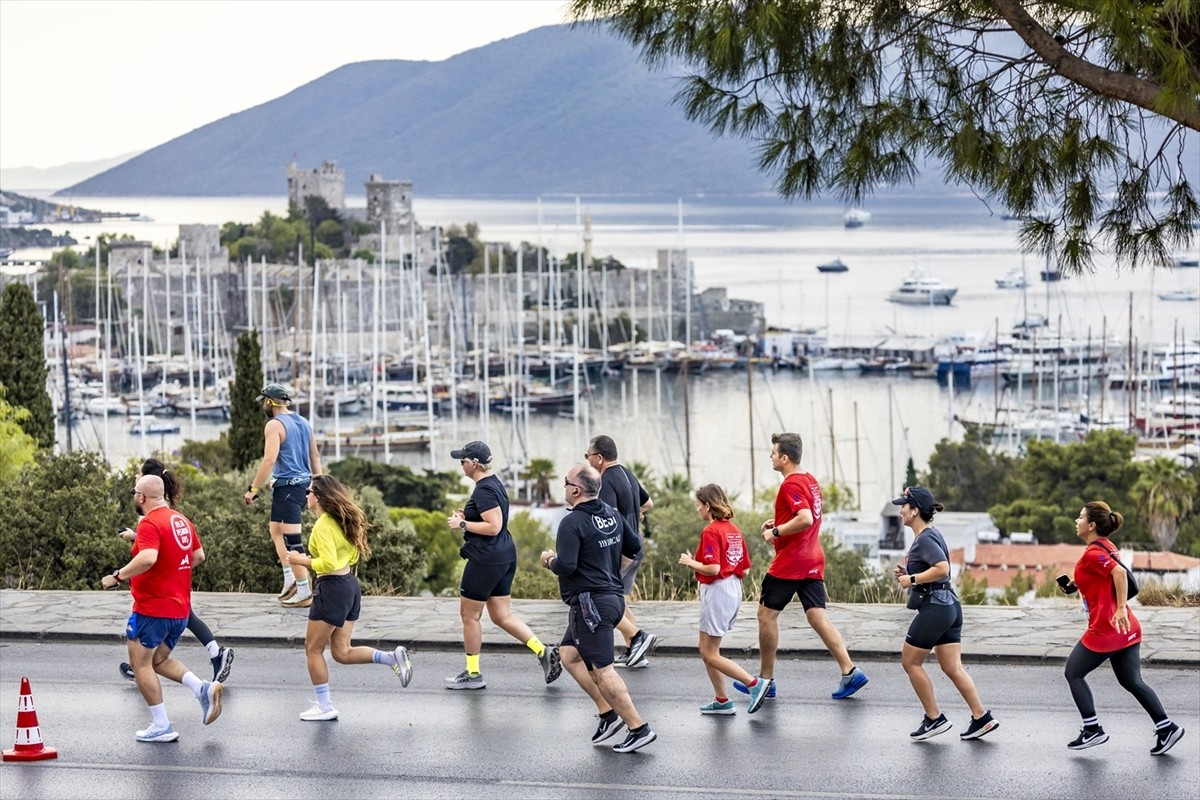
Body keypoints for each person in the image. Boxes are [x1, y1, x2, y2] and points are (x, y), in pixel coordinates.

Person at [734, 432, 868, 702]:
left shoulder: (790, 484)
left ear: (784, 458)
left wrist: (776, 532)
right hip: (813, 558)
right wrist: (779, 521)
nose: (770, 457)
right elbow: (807, 515)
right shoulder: (810, 480)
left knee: (765, 616)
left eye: (773, 453)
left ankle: (765, 681)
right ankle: (850, 671)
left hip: (791, 562)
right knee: (817, 616)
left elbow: (805, 518)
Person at [540, 464, 657, 753]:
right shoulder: (612, 514)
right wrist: (613, 574)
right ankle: (608, 713)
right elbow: (634, 548)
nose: (564, 486)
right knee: (569, 655)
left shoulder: (572, 523)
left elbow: (567, 565)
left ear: (576, 490)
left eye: (566, 482)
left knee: (603, 672)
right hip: (613, 600)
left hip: (590, 606)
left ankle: (638, 728)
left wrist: (549, 560)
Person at [100, 475, 223, 743]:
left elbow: (147, 558)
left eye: (135, 492)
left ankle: (162, 726)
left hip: (153, 609)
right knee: (158, 661)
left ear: (141, 497)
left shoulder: (149, 522)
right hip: (179, 610)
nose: (134, 496)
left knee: (140, 664)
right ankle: (201, 689)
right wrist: (171, 570)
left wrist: (117, 576)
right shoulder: (181, 520)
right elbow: (198, 556)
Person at [1059, 501, 1185, 755]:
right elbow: (1103, 575)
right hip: (1127, 629)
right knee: (1132, 680)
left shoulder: (1093, 553)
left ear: (1091, 525)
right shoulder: (1106, 546)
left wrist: (1119, 608)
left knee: (1073, 673)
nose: (1076, 520)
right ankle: (1166, 728)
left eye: (1080, 517)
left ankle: (1092, 729)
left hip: (1107, 629)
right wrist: (1075, 583)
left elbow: (1117, 573)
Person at [284, 474, 413, 720]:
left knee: (312, 649)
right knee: (341, 652)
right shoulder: (340, 521)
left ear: (318, 497)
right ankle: (391, 658)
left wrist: (301, 560)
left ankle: (325, 707)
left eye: (309, 492)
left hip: (332, 588)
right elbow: (351, 556)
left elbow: (328, 563)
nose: (306, 495)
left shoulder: (323, 525)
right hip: (349, 586)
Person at [444, 441, 561, 689]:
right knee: (501, 615)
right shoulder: (494, 483)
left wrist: (462, 524)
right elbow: (491, 518)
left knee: (469, 616)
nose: (461, 465)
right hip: (504, 555)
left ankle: (473, 674)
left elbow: (494, 526)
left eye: (463, 461)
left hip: (485, 559)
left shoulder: (483, 491)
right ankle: (543, 652)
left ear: (474, 464)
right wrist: (468, 517)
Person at [891, 486, 998, 741]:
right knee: (952, 667)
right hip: (950, 606)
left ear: (915, 511)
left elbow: (942, 568)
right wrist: (909, 574)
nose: (900, 510)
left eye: (904, 506)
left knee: (910, 662)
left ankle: (934, 718)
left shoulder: (925, 538)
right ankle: (981, 717)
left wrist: (912, 579)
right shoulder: (931, 533)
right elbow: (936, 570)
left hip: (936, 608)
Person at [119, 458, 234, 685]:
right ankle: (213, 656)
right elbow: (192, 553)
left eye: (139, 474)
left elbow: (152, 552)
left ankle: (143, 667)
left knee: (162, 623)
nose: (135, 477)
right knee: (185, 615)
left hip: (160, 590)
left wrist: (120, 574)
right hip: (175, 585)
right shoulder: (173, 514)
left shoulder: (149, 514)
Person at [677, 484, 769, 715]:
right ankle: (721, 700)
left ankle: (754, 684)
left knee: (710, 653)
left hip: (717, 590)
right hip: (733, 588)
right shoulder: (734, 530)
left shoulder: (711, 531)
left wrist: (690, 562)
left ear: (708, 506)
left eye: (698, 505)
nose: (698, 510)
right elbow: (745, 569)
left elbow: (713, 568)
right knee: (706, 649)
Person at [244, 383, 321, 608]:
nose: (263, 407)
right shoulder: (303, 422)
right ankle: (290, 578)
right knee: (275, 530)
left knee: (292, 541)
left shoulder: (274, 425)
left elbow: (269, 459)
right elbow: (315, 456)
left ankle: (304, 590)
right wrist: (318, 483)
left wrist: (253, 489)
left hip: (289, 488)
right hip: (298, 485)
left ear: (270, 402)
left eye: (264, 402)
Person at [585, 435, 656, 667]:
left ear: (599, 457)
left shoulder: (605, 480)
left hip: (620, 551)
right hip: (636, 547)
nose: (587, 461)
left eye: (588, 456)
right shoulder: (627, 473)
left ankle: (638, 637)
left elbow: (609, 517)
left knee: (606, 602)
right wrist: (634, 514)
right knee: (620, 601)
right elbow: (648, 503)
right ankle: (635, 652)